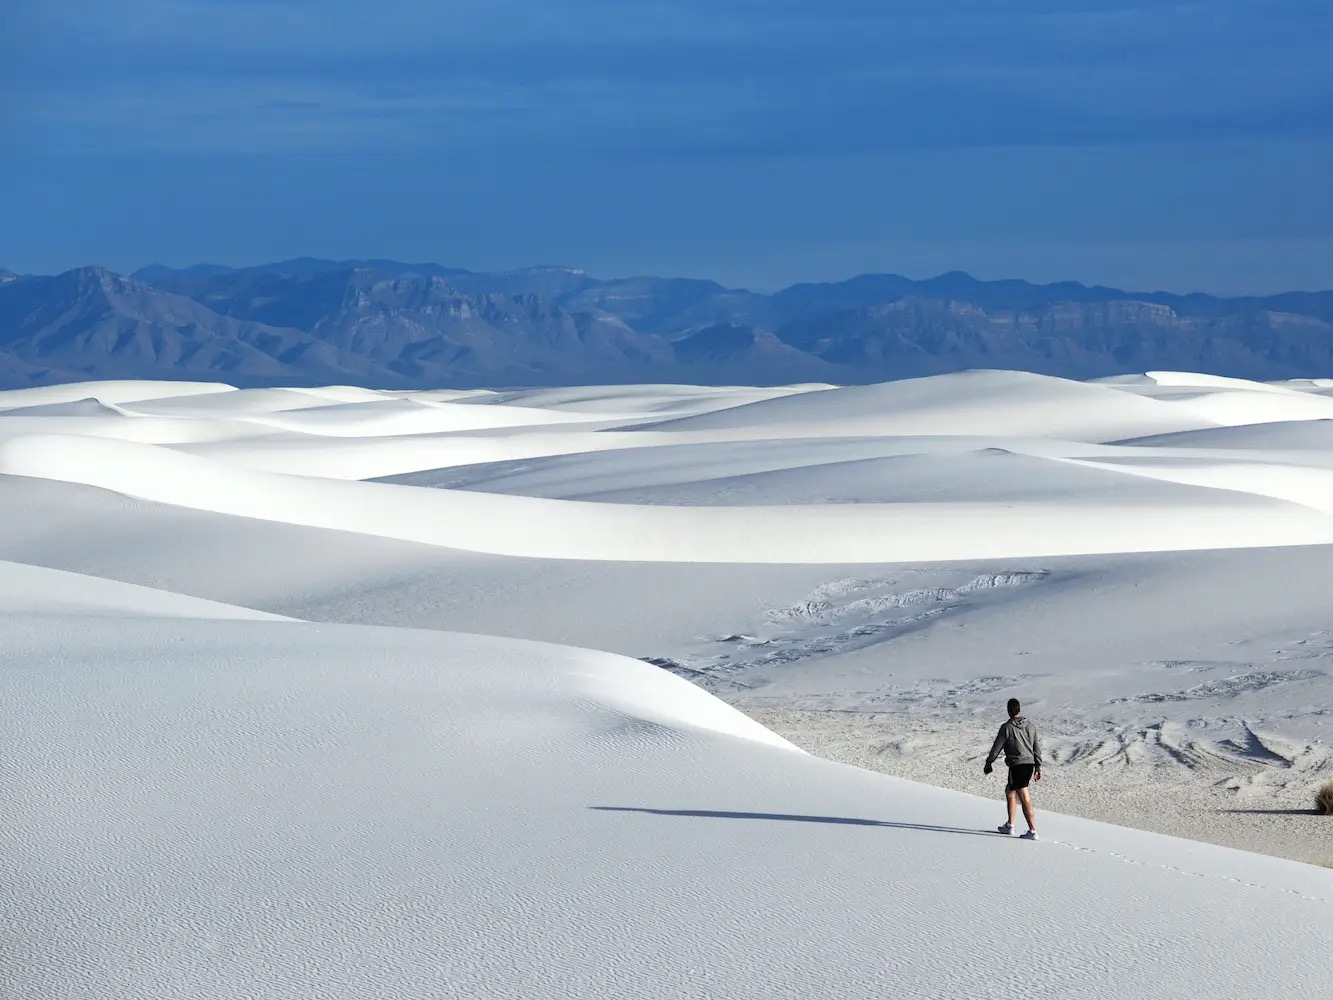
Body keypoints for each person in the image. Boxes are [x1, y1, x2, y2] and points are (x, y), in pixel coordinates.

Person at [983, 698, 1042, 840]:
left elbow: (996, 747)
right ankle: (1010, 825)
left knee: (1023, 796)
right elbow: (1036, 747)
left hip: (1018, 765)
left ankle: (1033, 831)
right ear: (1019, 709)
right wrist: (1038, 766)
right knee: (1010, 791)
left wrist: (989, 762)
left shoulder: (1007, 728)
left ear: (1009, 710)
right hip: (1029, 765)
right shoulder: (1030, 726)